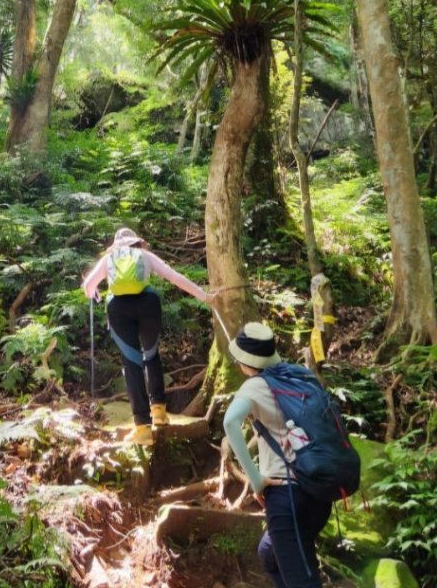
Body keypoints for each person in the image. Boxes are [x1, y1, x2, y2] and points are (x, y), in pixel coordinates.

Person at [82, 226, 217, 445]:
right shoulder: (145, 256)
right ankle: (159, 412)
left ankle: (143, 428)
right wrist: (204, 297)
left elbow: (89, 287)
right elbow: (174, 277)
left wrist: (96, 294)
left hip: (118, 309)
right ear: (136, 242)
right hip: (148, 305)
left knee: (131, 363)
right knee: (151, 354)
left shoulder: (108, 259)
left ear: (116, 245)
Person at [223, 322, 332, 588]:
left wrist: (256, 480)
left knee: (302, 582)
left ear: (246, 364)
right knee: (269, 554)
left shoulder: (255, 386)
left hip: (287, 497)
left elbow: (229, 423)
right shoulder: (299, 376)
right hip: (318, 492)